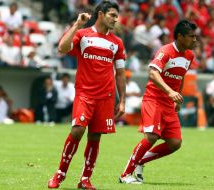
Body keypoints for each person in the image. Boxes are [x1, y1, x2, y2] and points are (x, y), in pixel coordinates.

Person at [48, 1, 126, 189]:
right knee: (77, 130)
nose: (116, 19)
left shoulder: (117, 43)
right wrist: (77, 25)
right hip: (85, 93)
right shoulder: (83, 35)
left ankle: (85, 179)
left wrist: (122, 100)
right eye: (112, 15)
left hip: (106, 97)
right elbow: (62, 48)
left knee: (95, 136)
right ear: (100, 14)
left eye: (117, 16)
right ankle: (60, 174)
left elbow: (120, 73)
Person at [119, 20, 197, 184]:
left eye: (195, 36)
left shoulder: (189, 56)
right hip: (153, 99)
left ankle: (141, 160)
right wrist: (170, 91)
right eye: (191, 36)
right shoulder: (165, 51)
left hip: (169, 103)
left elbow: (180, 77)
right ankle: (125, 174)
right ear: (180, 36)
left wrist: (177, 97)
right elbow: (153, 73)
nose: (195, 40)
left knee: (175, 143)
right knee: (152, 136)